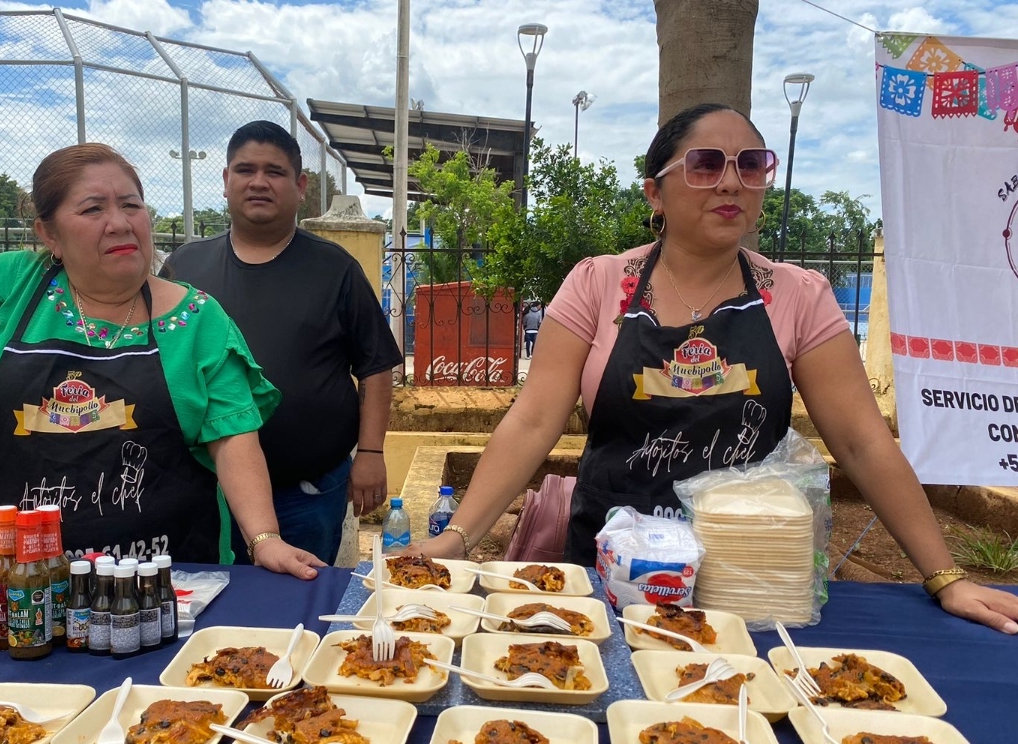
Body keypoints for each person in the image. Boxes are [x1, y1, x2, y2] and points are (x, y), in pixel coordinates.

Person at [419, 103, 1018, 634]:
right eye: (706, 164)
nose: (731, 181)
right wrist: (458, 537)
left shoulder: (799, 296)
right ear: (655, 192)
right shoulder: (599, 284)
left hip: (748, 586)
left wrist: (946, 576)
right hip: (614, 577)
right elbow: (531, 422)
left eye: (751, 165)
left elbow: (864, 442)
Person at [0, 143, 322, 579]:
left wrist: (263, 539)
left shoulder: (198, 318)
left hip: (167, 580)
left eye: (132, 204)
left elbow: (233, 437)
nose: (120, 222)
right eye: (92, 209)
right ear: (49, 234)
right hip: (20, 583)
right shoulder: (0, 293)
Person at [164, 121, 403, 566]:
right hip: (203, 492)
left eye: (274, 171)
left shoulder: (334, 269)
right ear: (225, 180)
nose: (258, 182)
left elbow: (374, 365)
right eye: (245, 169)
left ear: (300, 185)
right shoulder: (185, 268)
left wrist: (370, 453)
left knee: (299, 613)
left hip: (308, 494)